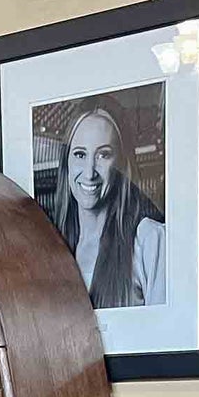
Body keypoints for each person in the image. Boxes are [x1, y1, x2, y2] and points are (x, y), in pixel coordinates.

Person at [50, 104, 166, 309]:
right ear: (66, 164)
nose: (89, 172)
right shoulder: (49, 250)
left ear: (121, 163)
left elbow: (170, 336)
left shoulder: (150, 240)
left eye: (103, 155)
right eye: (79, 154)